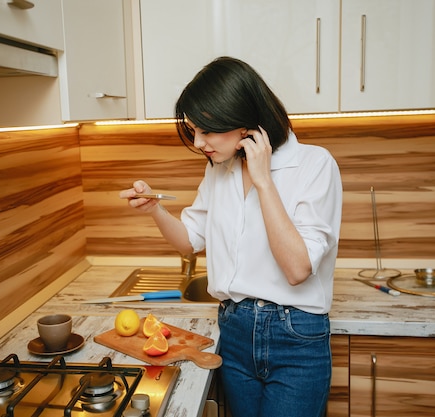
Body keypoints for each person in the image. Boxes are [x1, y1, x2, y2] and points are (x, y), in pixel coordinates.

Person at [120, 56, 342, 417]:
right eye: (193, 130)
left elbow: (297, 269)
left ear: (245, 123)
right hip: (234, 331)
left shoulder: (315, 166)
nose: (198, 143)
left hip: (296, 338)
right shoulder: (219, 171)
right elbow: (191, 239)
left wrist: (263, 180)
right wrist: (155, 211)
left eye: (207, 130)